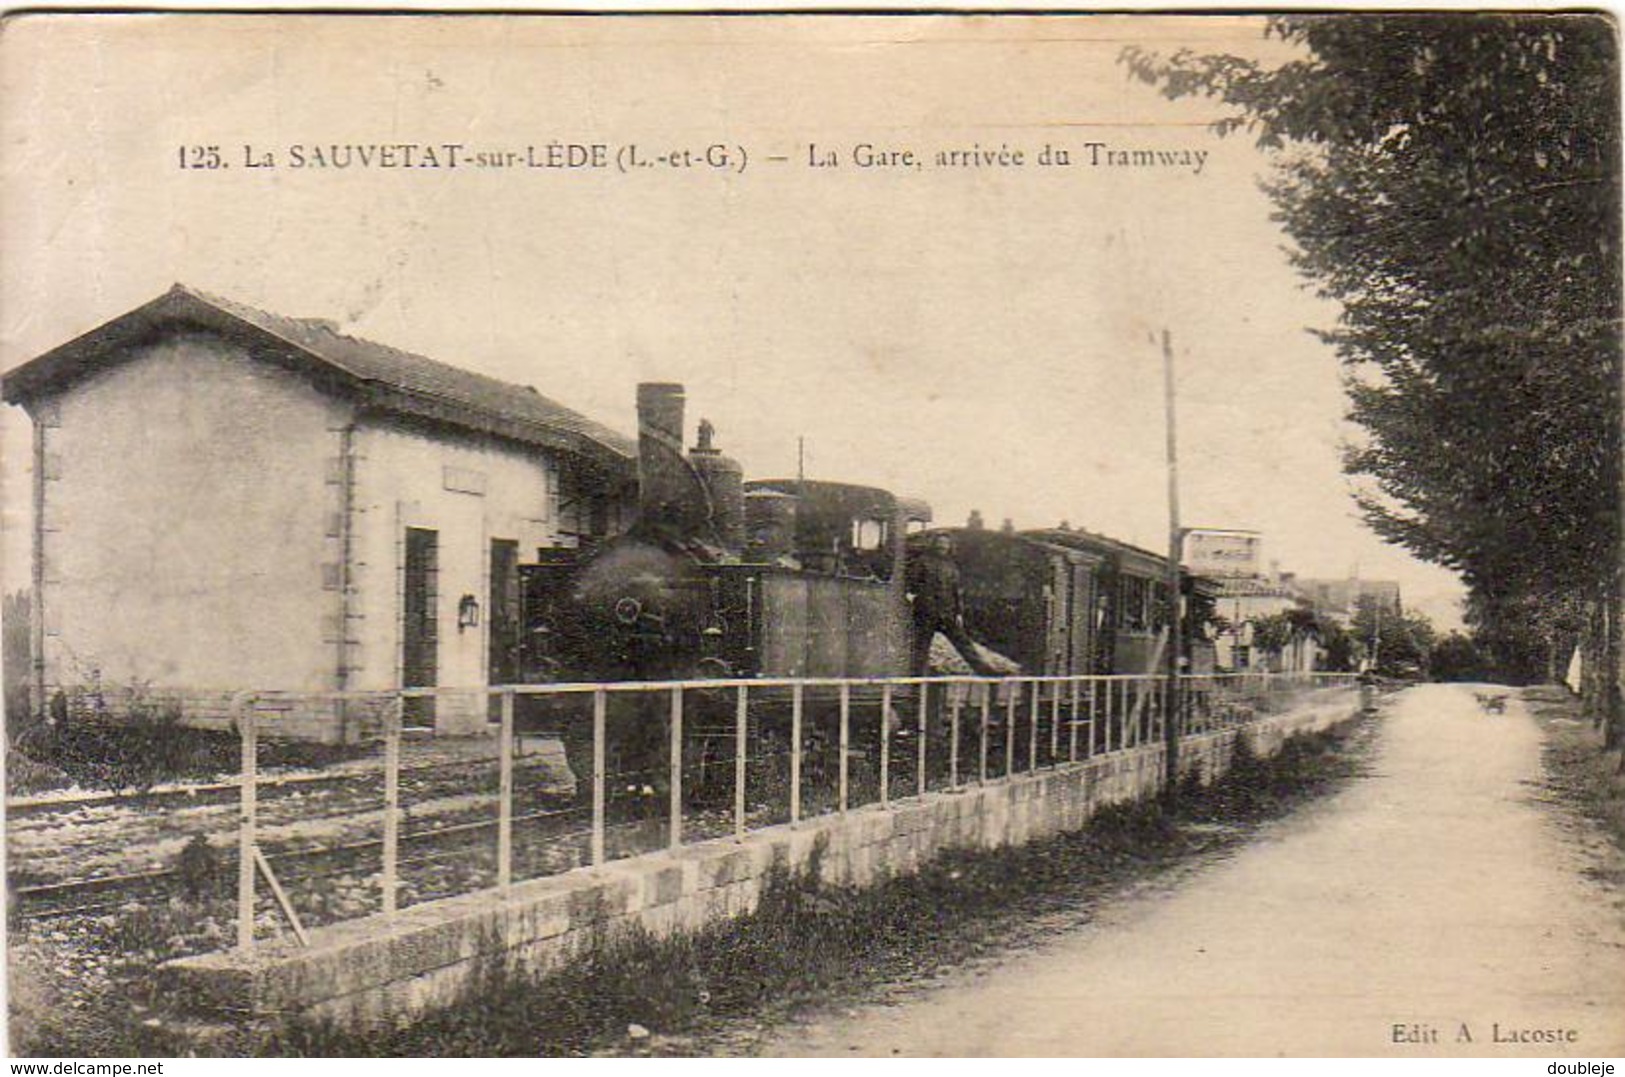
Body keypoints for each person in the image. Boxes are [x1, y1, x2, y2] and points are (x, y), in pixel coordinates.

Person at [907, 533, 997, 677]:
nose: (942, 546)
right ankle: (917, 678)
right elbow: (911, 585)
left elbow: (956, 592)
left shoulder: (951, 566)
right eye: (940, 543)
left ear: (949, 547)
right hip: (927, 613)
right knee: (921, 648)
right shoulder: (922, 562)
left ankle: (985, 671)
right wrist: (918, 601)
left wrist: (958, 613)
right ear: (934, 545)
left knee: (964, 643)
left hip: (948, 613)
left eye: (945, 544)